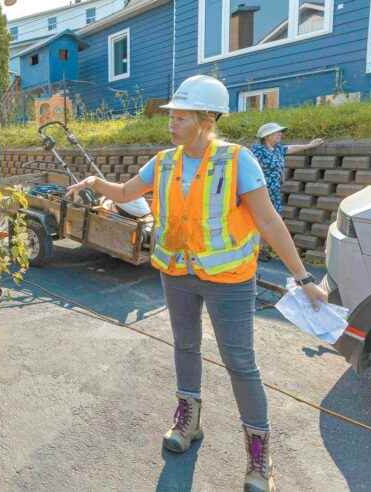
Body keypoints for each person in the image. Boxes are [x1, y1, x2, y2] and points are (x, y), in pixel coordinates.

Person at [66, 75, 327, 492]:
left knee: (240, 363)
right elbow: (127, 190)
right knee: (185, 346)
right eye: (172, 115)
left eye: (181, 116)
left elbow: (268, 220)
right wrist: (96, 184)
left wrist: (304, 277)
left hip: (230, 280)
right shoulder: (164, 160)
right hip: (178, 274)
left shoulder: (238, 160)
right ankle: (189, 419)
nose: (172, 122)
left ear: (207, 119)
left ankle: (259, 455)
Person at [251, 124, 323, 261]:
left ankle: (263, 249)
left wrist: (309, 145)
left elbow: (292, 148)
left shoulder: (278, 149)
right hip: (260, 192)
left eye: (280, 133)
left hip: (275, 192)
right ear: (266, 136)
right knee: (258, 221)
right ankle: (254, 249)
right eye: (276, 133)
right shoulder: (257, 150)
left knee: (272, 220)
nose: (280, 135)